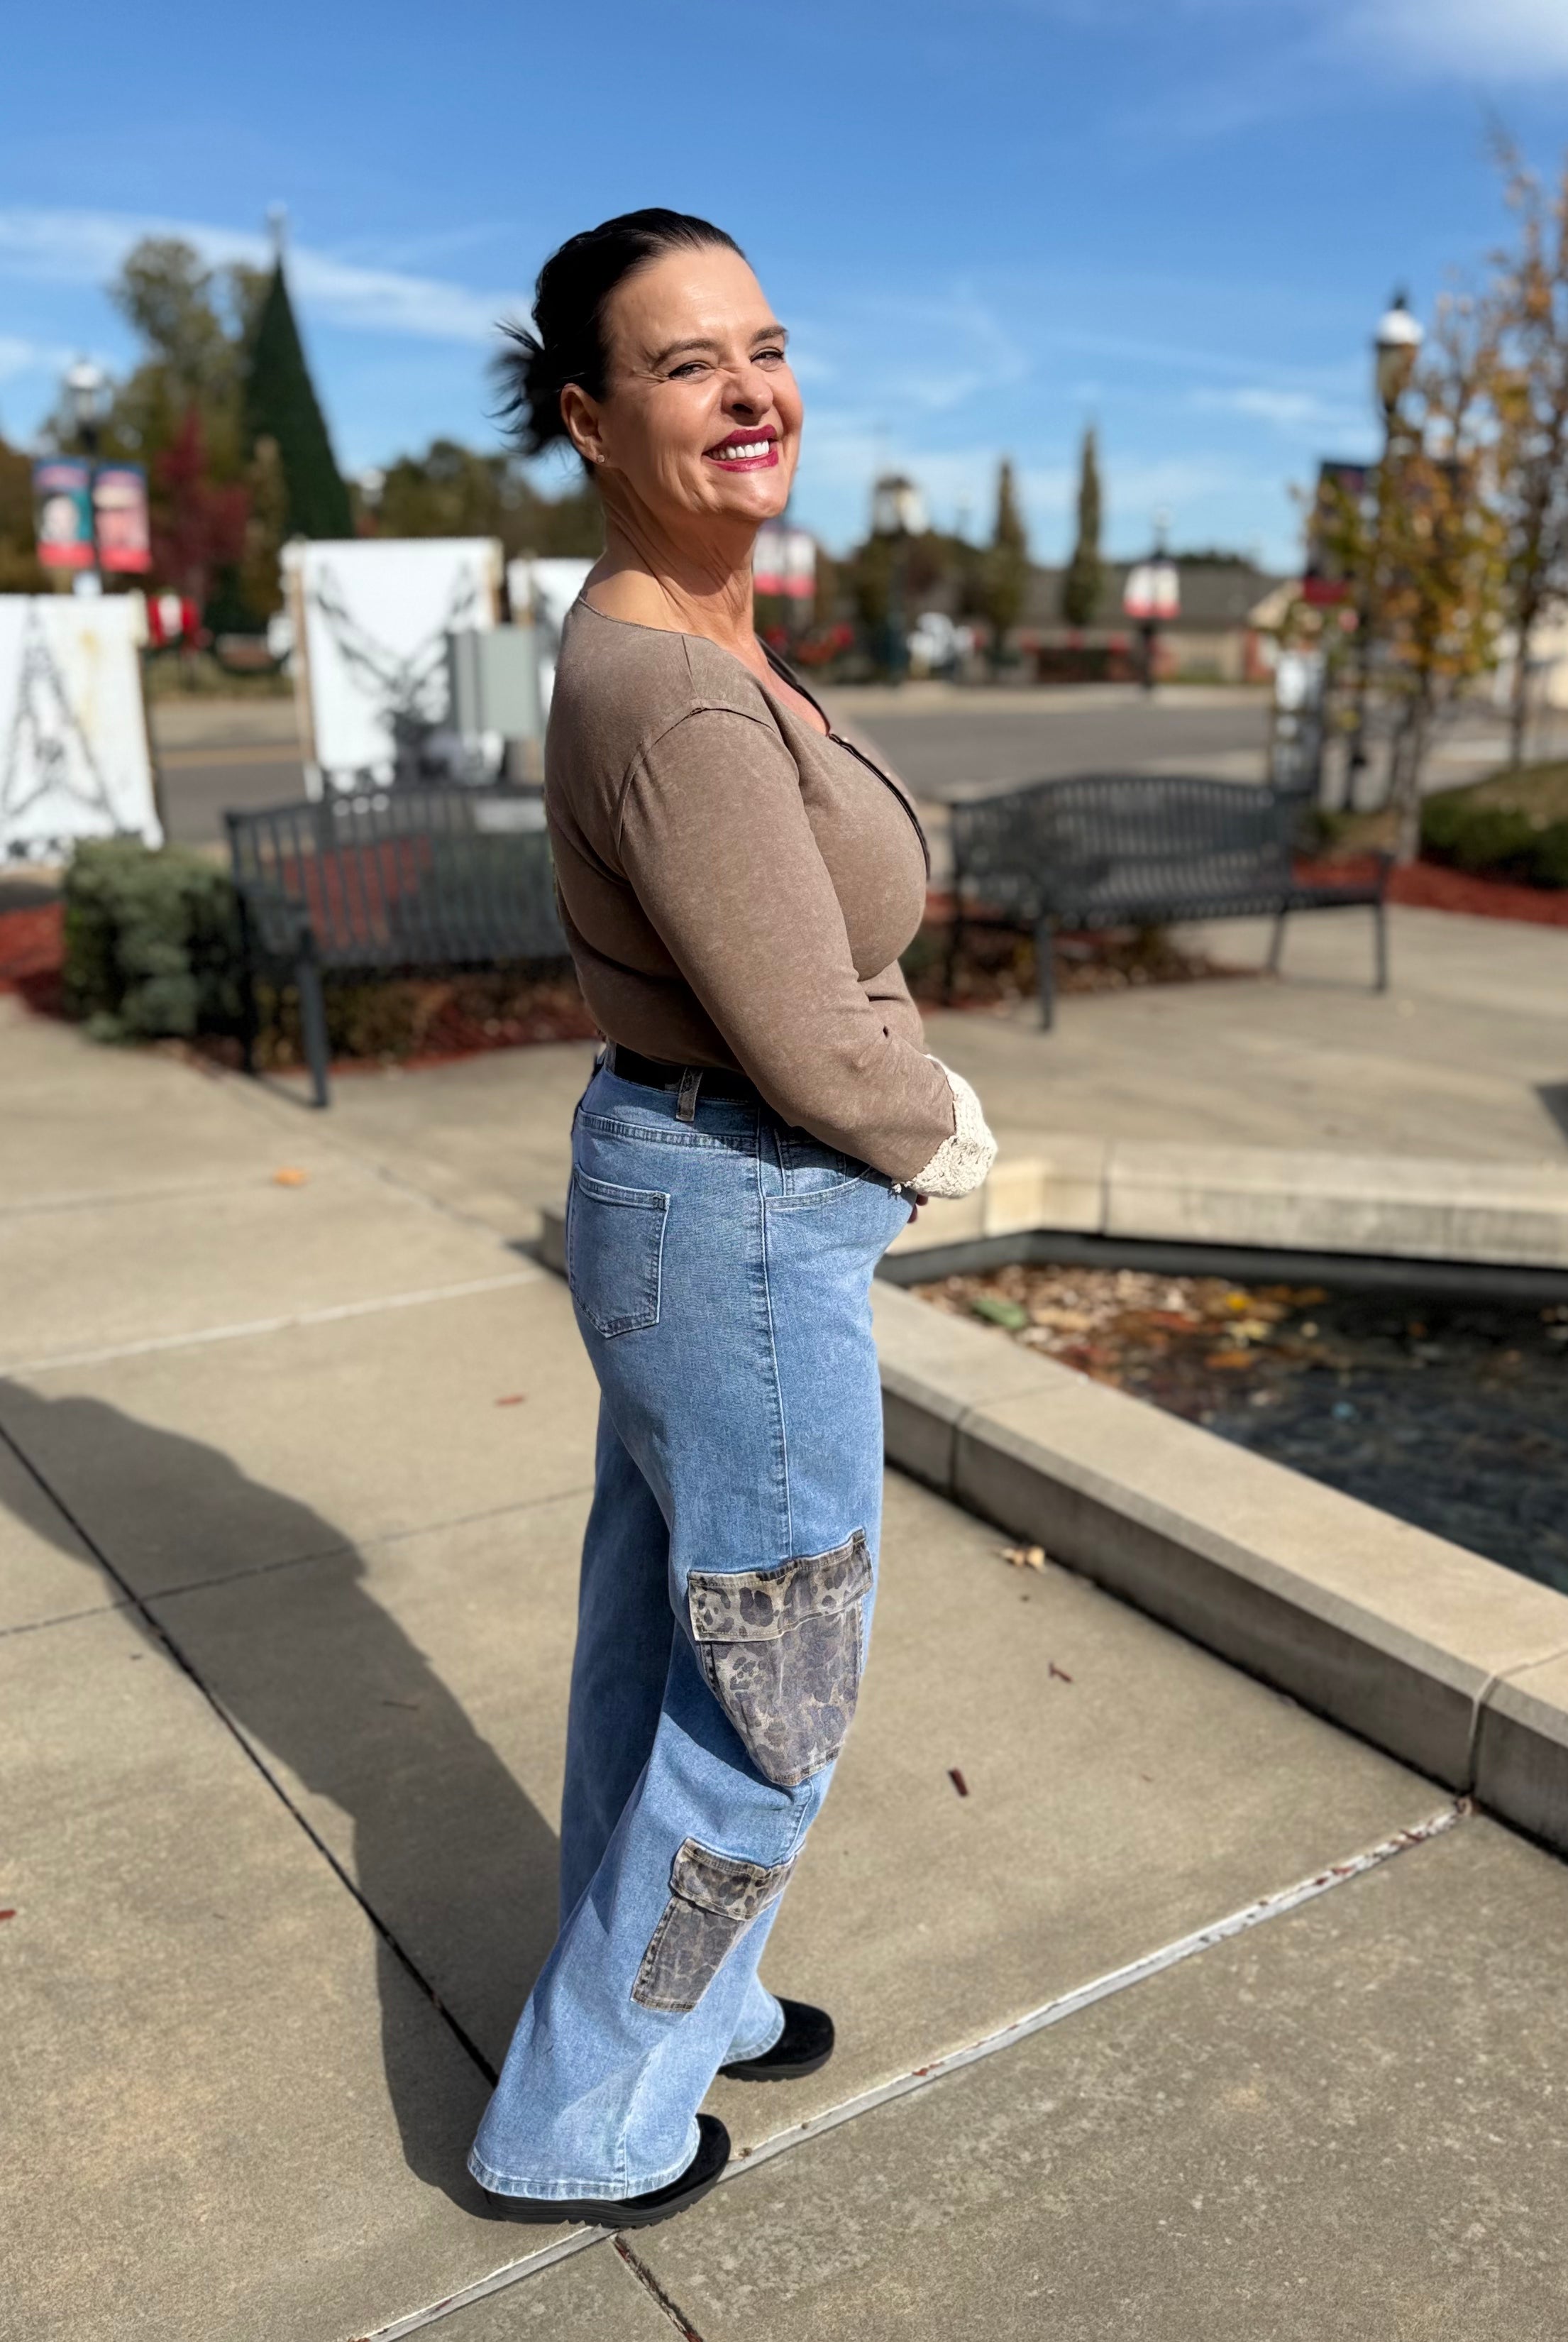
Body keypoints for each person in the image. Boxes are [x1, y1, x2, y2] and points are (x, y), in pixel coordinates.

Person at [468, 209, 996, 2228]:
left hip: (689, 1200)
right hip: (741, 1215)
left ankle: (698, 1991)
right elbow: (809, 1044)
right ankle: (584, 2112)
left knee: (666, 1643)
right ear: (592, 420)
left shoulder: (681, 632)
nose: (752, 390)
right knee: (778, 1692)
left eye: (764, 346)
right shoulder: (674, 693)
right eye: (689, 365)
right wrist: (942, 1122)